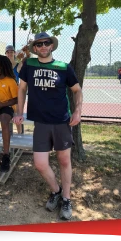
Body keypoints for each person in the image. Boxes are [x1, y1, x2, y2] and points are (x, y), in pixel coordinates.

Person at [13, 32, 83, 220]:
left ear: (52, 46)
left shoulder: (63, 67)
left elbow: (77, 90)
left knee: (64, 161)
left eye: (46, 43)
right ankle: (56, 190)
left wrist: (78, 111)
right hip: (41, 123)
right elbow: (22, 89)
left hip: (61, 121)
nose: (43, 46)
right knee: (40, 164)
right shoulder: (29, 65)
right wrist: (19, 112)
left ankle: (67, 199)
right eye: (39, 44)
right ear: (35, 48)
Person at [5, 45, 23, 134]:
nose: (10, 54)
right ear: (5, 54)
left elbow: (26, 60)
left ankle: (20, 135)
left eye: (11, 52)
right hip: (5, 94)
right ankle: (8, 136)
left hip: (15, 94)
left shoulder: (18, 65)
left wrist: (26, 53)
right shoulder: (3, 66)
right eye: (8, 52)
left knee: (16, 116)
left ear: (14, 53)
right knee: (6, 116)